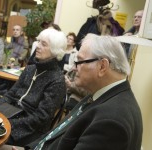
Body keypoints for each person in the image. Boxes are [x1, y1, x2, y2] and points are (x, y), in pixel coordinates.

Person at [11, 33, 142, 150]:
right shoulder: (100, 95)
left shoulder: (111, 121)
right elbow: (54, 135)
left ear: (102, 66)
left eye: (79, 61)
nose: (73, 68)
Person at [0, 28, 67, 146]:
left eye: (43, 44)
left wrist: (9, 123)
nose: (37, 46)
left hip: (29, 129)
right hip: (11, 113)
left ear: (55, 51)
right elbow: (11, 94)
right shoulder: (30, 69)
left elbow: (41, 118)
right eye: (38, 41)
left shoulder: (57, 80)